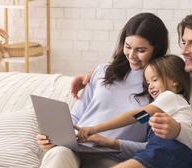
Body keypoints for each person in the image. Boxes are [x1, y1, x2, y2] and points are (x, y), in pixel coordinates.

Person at [71, 9, 192, 168]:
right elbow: (143, 113)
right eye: (184, 42)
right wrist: (94, 75)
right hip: (164, 151)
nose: (184, 51)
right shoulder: (182, 78)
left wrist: (179, 132)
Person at [36, 12, 170, 168]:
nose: (132, 56)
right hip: (73, 150)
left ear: (157, 49)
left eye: (140, 50)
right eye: (128, 47)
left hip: (112, 159)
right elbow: (77, 116)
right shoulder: (103, 72)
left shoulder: (159, 88)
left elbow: (152, 148)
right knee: (58, 154)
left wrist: (111, 143)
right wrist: (53, 136)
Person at [75, 55, 192, 168]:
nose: (150, 86)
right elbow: (141, 118)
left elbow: (135, 117)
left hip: (171, 148)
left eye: (155, 80)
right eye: (148, 83)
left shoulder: (170, 97)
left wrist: (95, 128)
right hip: (158, 149)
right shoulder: (163, 107)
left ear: (174, 80)